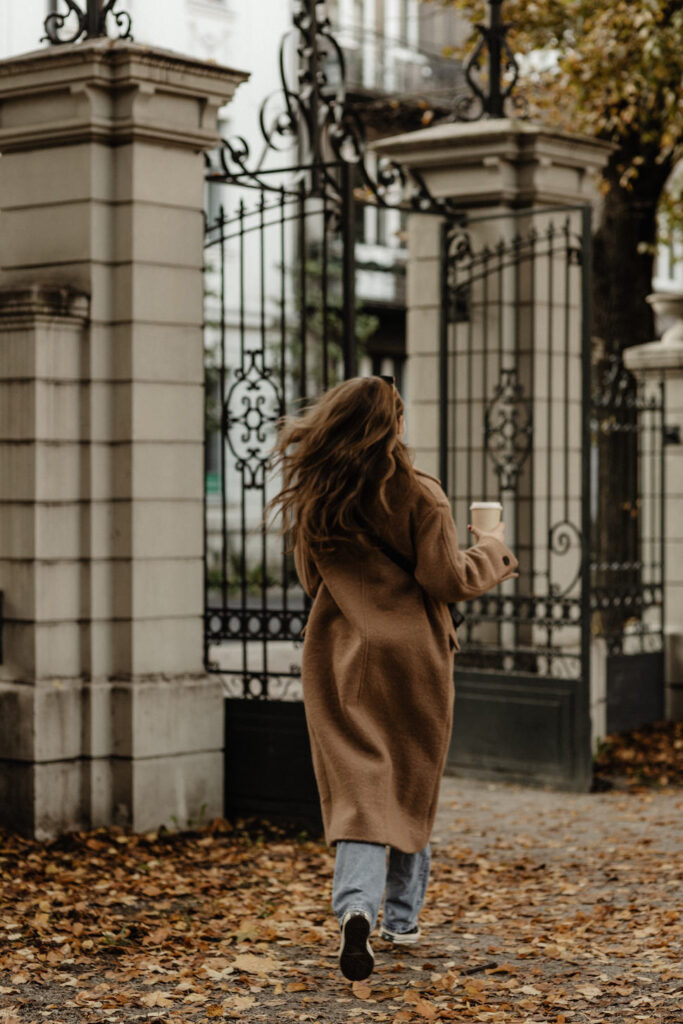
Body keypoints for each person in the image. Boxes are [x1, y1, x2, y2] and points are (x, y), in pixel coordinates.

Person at [268, 376, 518, 982]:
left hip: (339, 652)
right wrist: (490, 546)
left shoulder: (318, 492)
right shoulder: (420, 495)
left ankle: (356, 911)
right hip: (413, 657)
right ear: (395, 426)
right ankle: (401, 920)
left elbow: (310, 577)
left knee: (361, 791)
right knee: (409, 774)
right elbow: (447, 581)